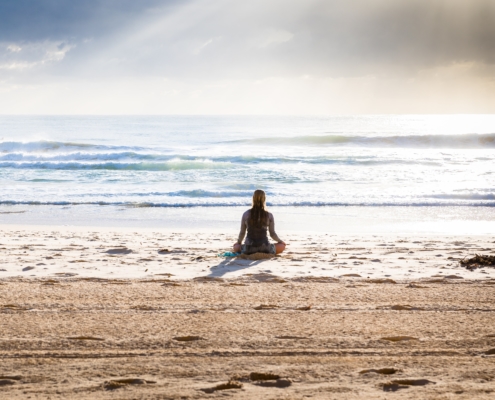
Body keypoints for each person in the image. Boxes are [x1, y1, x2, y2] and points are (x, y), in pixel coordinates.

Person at [233, 189, 286, 255]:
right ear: (264, 199)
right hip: (265, 248)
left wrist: (239, 242)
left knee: (235, 247)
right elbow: (272, 234)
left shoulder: (246, 214)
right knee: (282, 246)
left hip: (249, 248)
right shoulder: (269, 215)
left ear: (253, 198)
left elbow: (242, 233)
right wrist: (280, 241)